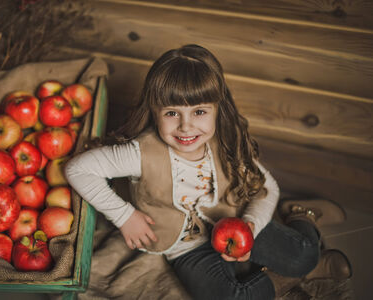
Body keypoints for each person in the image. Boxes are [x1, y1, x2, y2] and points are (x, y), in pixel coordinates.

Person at [65, 44, 351, 299]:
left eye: (199, 112)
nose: (186, 127)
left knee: (302, 254)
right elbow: (78, 169)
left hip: (234, 221)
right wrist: (124, 215)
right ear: (154, 112)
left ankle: (301, 216)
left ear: (218, 109)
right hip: (185, 249)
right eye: (172, 113)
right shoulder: (141, 153)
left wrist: (251, 225)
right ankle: (300, 275)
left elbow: (268, 188)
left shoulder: (226, 143)